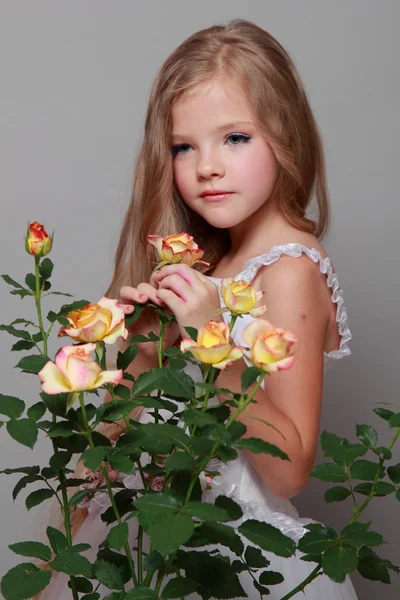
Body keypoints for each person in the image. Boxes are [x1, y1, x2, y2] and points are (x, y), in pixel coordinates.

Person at [39, 18, 357, 599]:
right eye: (184, 146)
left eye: (235, 138)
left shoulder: (289, 268)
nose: (206, 165)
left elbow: (289, 468)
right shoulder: (205, 263)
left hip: (232, 556)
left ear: (285, 134)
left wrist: (213, 338)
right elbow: (117, 441)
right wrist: (136, 345)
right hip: (153, 541)